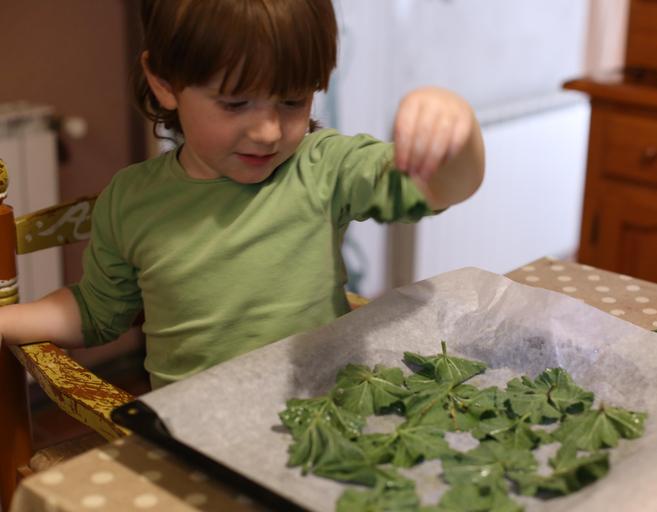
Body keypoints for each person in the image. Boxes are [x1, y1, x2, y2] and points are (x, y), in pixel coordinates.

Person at [0, 0, 484, 389]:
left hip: (323, 414)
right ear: (164, 83)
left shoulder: (323, 167)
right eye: (235, 103)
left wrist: (458, 131)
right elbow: (95, 313)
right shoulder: (129, 199)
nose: (269, 132)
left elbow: (438, 189)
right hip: (197, 437)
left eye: (293, 100)